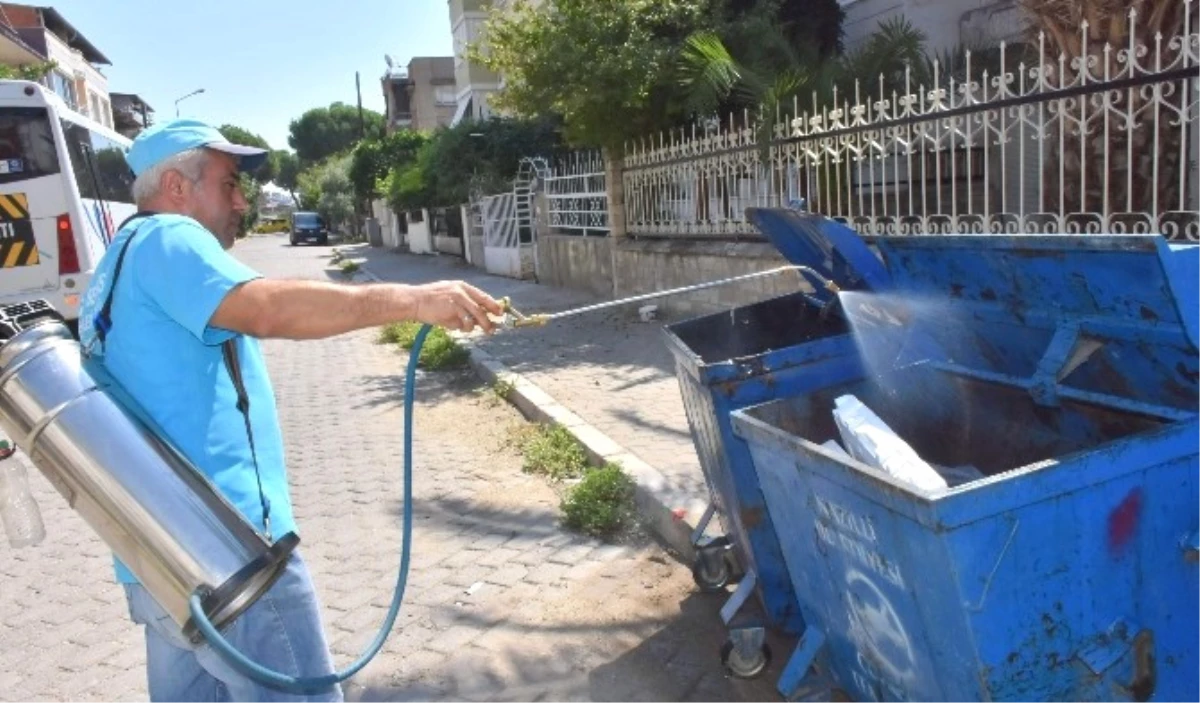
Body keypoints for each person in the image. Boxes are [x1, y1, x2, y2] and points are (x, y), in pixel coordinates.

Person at [78, 118, 503, 702]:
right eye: (229, 183)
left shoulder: (119, 254)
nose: (241, 200)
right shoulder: (168, 238)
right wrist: (416, 299)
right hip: (229, 553)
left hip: (156, 558)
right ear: (177, 187)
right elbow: (269, 309)